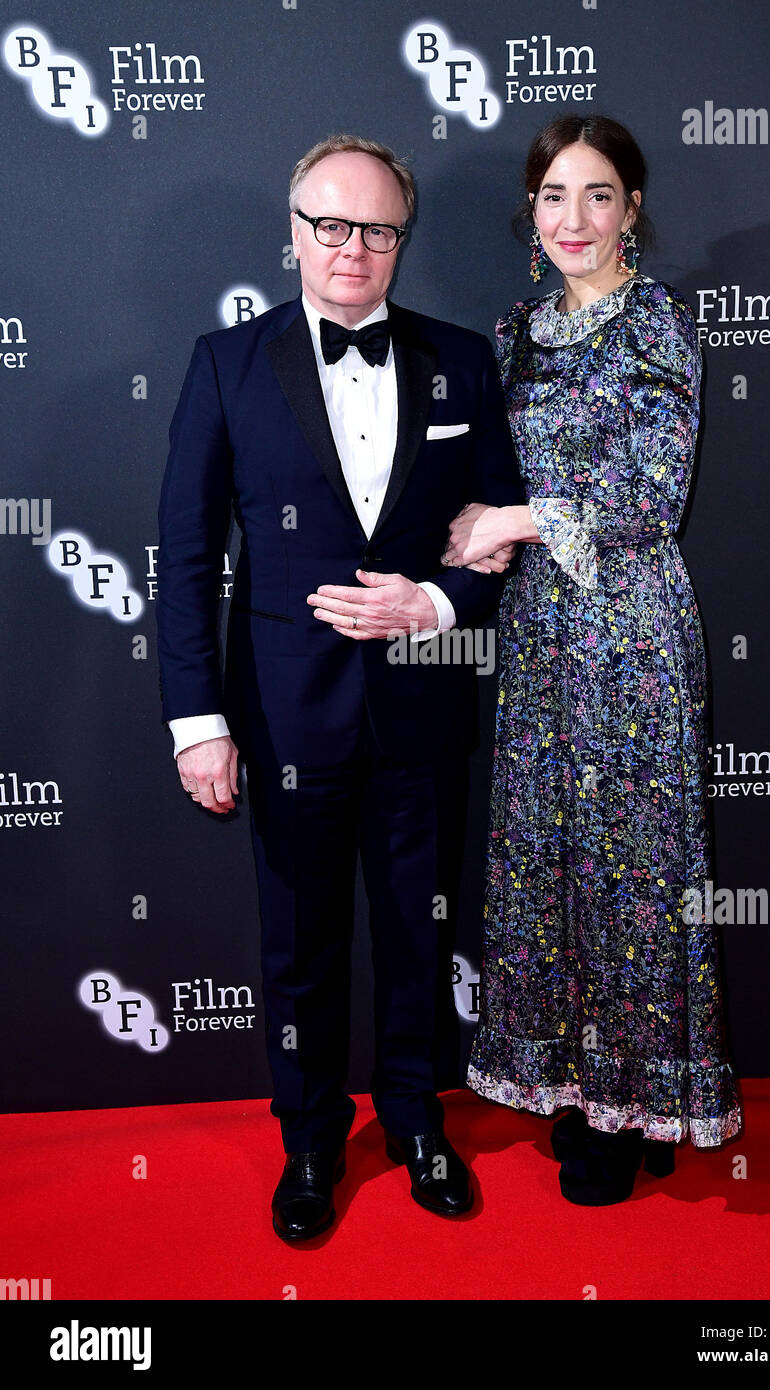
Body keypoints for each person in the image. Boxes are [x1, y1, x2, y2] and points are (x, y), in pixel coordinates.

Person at [156, 133, 526, 1241]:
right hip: (280, 711)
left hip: (420, 702)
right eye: (329, 223)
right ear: (293, 232)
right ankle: (310, 1137)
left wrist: (437, 604)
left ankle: (416, 1121)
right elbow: (182, 553)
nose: (351, 246)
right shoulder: (226, 362)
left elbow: (500, 533)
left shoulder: (464, 360)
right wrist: (195, 719)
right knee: (302, 940)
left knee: (417, 928)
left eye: (375, 227)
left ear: (402, 241)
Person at [442, 114, 742, 1205]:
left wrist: (512, 518)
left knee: (638, 865)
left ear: (633, 209)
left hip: (631, 633)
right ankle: (583, 1085)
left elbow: (653, 499)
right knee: (547, 860)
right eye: (555, 195)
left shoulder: (659, 323)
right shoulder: (511, 334)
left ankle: (641, 1100)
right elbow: (469, 486)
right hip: (535, 636)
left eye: (598, 194)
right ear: (532, 211)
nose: (575, 217)